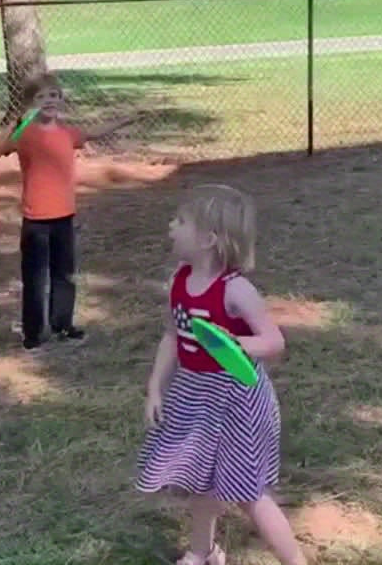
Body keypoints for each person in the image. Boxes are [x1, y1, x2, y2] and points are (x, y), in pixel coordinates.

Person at [136, 184, 307, 565]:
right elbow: (172, 335)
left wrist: (232, 344)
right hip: (195, 394)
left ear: (208, 239)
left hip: (238, 401)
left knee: (250, 494)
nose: (171, 226)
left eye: (181, 221)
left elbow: (274, 342)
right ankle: (204, 552)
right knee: (201, 478)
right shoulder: (179, 281)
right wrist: (155, 388)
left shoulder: (236, 290)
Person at [0, 73, 139, 352]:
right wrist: (16, 121)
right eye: (41, 97)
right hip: (36, 219)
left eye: (54, 95)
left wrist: (125, 120)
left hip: (64, 216)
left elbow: (94, 133)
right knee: (36, 279)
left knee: (64, 274)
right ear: (31, 103)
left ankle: (63, 324)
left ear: (61, 100)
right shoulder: (25, 134)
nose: (49, 101)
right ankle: (34, 333)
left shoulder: (67, 133)